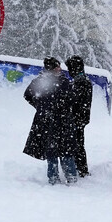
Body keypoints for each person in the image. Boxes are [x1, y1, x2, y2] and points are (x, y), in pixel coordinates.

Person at [23, 57, 78, 185]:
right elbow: (72, 99)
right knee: (62, 149)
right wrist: (42, 107)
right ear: (51, 68)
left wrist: (40, 107)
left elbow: (28, 95)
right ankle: (67, 176)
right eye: (57, 67)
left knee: (55, 149)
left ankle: (57, 177)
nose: (60, 69)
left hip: (49, 120)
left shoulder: (41, 81)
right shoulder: (61, 82)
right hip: (59, 120)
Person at [65, 55, 92, 177]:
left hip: (77, 118)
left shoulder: (80, 82)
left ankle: (81, 168)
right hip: (80, 117)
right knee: (78, 143)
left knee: (77, 144)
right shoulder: (82, 80)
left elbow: (74, 100)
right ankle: (80, 167)